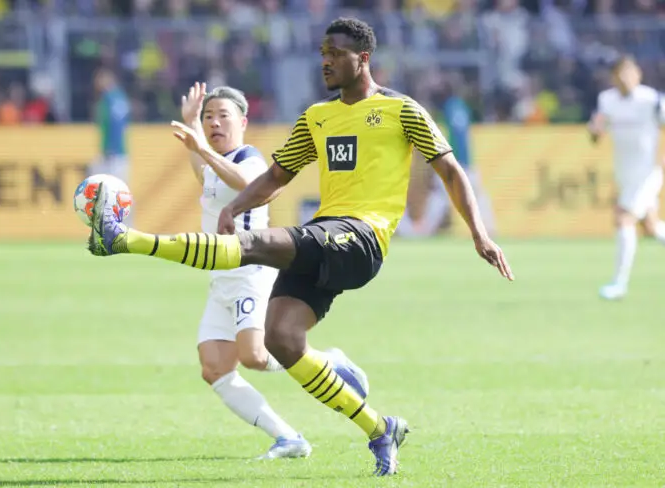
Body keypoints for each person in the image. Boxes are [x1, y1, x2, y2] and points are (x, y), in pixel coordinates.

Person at [85, 18, 513, 476]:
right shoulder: (317, 117)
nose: (325, 61)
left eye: (335, 53)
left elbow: (450, 170)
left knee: (252, 245)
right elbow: (276, 176)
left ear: (363, 58)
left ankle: (124, 238)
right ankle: (379, 428)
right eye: (323, 53)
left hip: (362, 238)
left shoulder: (401, 110)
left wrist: (479, 233)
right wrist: (236, 206)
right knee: (280, 340)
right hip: (328, 230)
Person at [174, 82, 335, 459]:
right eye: (209, 116)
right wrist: (191, 125)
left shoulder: (251, 159)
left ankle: (329, 362)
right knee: (214, 368)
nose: (214, 123)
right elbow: (203, 173)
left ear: (243, 122)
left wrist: (202, 147)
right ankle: (288, 438)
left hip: (251, 273)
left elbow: (247, 184)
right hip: (220, 279)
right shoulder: (213, 162)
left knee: (255, 357)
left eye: (223, 115)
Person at [589, 55, 665, 300]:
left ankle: (618, 284)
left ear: (638, 75)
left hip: (648, 173)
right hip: (625, 174)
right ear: (613, 77)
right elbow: (597, 130)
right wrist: (595, 130)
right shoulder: (607, 100)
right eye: (620, 74)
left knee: (623, 219)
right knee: (651, 227)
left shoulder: (651, 100)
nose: (625, 78)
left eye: (630, 73)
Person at [398, 79, 497, 237]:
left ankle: (422, 231)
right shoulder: (460, 106)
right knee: (473, 195)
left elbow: (455, 136)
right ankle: (490, 228)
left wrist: (449, 159)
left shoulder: (450, 108)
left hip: (458, 162)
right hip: (466, 162)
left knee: (442, 196)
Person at [90, 68, 130, 211]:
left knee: (111, 192)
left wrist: (109, 149)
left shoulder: (110, 99)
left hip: (112, 153)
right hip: (117, 151)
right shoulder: (119, 97)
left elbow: (114, 125)